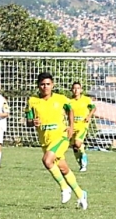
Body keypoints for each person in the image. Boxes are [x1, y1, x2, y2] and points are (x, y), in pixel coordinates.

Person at [26, 72, 88, 209]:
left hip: (61, 137)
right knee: (63, 168)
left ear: (52, 85)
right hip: (45, 140)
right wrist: (32, 122)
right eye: (42, 84)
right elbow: (28, 120)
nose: (45, 87)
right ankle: (80, 193)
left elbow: (70, 110)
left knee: (47, 160)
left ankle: (65, 188)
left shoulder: (61, 99)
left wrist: (71, 127)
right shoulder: (32, 101)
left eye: (48, 84)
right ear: (38, 85)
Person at [69, 81, 96, 172]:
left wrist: (89, 116)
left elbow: (93, 108)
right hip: (73, 126)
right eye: (74, 88)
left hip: (82, 125)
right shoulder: (69, 101)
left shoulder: (86, 100)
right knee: (74, 147)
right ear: (72, 90)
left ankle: (83, 157)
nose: (76, 90)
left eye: (78, 88)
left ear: (81, 90)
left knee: (77, 143)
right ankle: (81, 164)